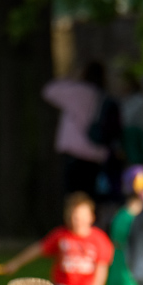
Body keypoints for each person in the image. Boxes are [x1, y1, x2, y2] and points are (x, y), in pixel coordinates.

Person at [42, 61, 114, 199]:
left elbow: (49, 91)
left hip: (74, 155)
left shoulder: (77, 91)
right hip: (96, 154)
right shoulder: (102, 96)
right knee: (90, 200)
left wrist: (70, 77)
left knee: (73, 200)